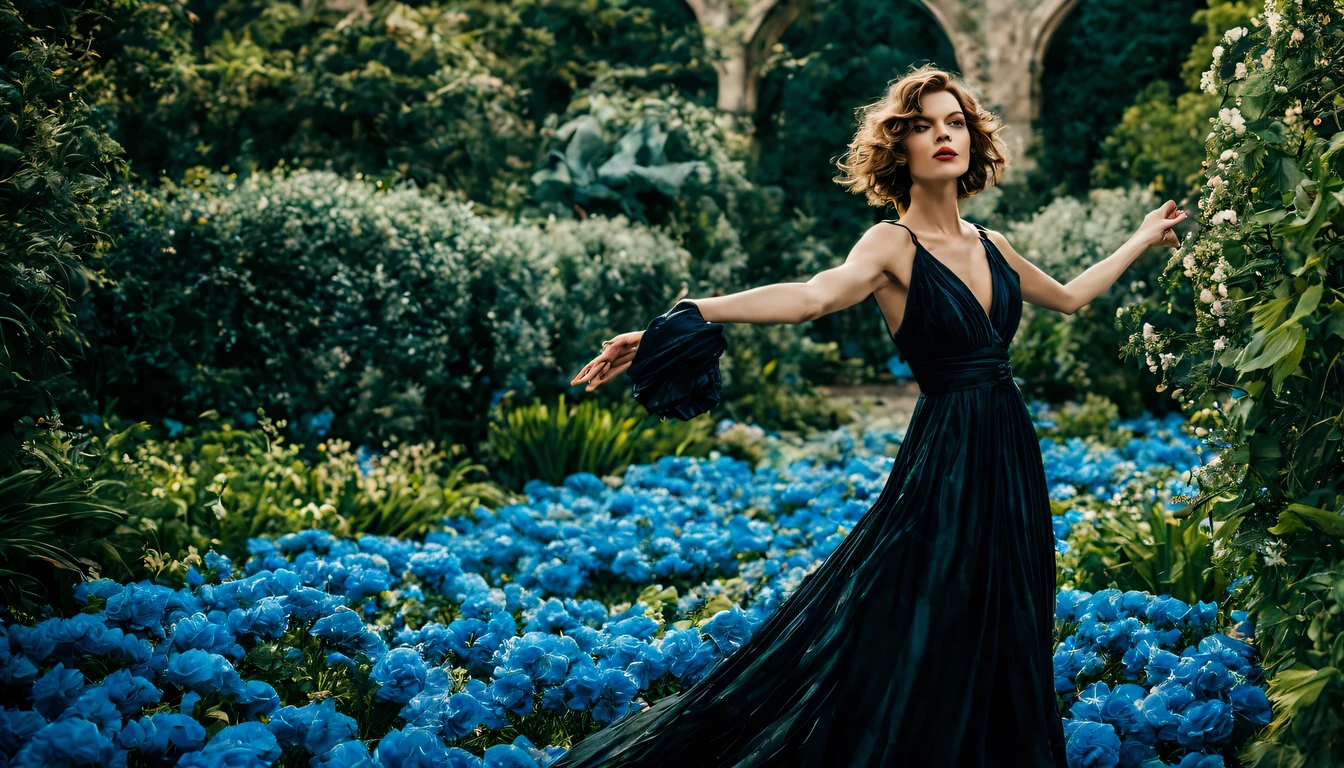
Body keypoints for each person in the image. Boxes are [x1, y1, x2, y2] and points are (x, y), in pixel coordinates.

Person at [560, 65, 1185, 767]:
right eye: (923, 126)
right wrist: (688, 316)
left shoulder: (992, 245)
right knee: (913, 612)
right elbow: (810, 298)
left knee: (1004, 618)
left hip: (1010, 456)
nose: (942, 136)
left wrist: (1138, 239)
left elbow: (1068, 296)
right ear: (901, 149)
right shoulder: (891, 245)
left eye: (954, 123)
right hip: (945, 458)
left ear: (973, 142)